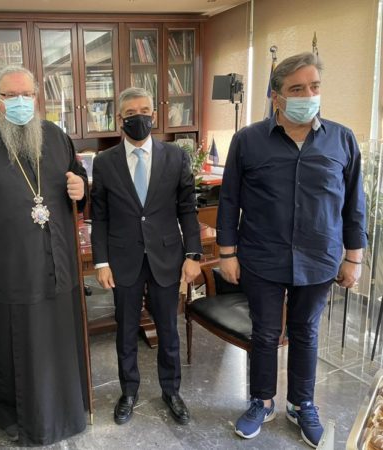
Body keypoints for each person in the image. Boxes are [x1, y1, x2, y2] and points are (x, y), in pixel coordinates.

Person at [217, 52, 366, 448]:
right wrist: (227, 254)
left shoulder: (342, 139)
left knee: (305, 331)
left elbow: (355, 204)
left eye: (314, 87)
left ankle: (302, 404)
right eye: (297, 89)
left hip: (320, 258)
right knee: (265, 333)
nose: (308, 95)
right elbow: (229, 200)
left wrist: (354, 257)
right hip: (262, 256)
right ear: (277, 96)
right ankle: (261, 401)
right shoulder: (248, 140)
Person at [0, 66, 88, 445]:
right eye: (11, 95)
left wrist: (81, 187)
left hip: (55, 265)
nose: (21, 102)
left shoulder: (57, 137)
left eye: (27, 94)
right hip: (3, 270)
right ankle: (15, 417)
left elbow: (77, 183)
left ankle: (64, 411)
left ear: (37, 98)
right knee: (12, 349)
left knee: (57, 345)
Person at [91, 87, 202, 426]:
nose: (139, 117)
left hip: (167, 257)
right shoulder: (104, 162)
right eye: (131, 113)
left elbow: (187, 209)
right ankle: (129, 391)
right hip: (123, 259)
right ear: (119, 119)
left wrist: (193, 254)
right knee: (125, 330)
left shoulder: (176, 156)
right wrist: (101, 262)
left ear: (154, 114)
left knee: (168, 329)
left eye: (145, 111)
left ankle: (172, 391)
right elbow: (100, 217)